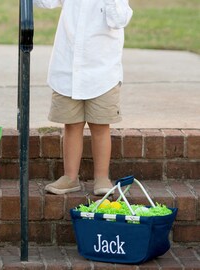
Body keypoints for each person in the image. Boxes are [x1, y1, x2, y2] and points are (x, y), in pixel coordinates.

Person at [33, 0, 133, 195]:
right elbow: (44, 2)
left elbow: (119, 19)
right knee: (72, 125)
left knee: (100, 125)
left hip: (102, 72)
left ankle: (102, 177)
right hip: (68, 68)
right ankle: (70, 177)